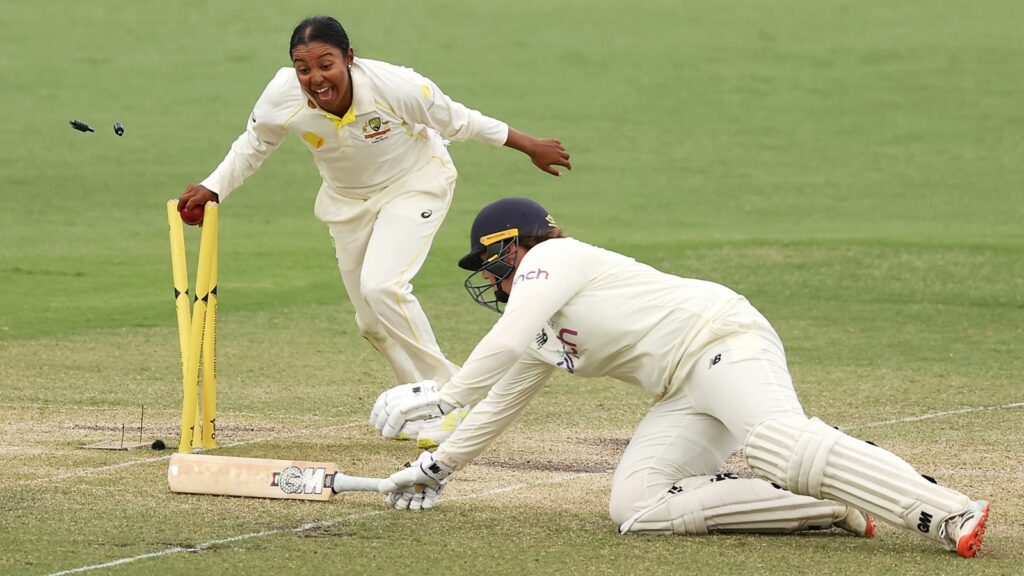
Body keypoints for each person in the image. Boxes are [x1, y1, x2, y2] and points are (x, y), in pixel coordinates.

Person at [371, 197, 990, 558]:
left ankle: (949, 512)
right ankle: (827, 500)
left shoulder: (556, 258)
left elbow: (501, 342)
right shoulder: (533, 330)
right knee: (636, 507)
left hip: (723, 341)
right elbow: (502, 403)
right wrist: (435, 469)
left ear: (515, 249)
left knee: (777, 441)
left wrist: (443, 392)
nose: (492, 281)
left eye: (491, 264)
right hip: (681, 391)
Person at [177, 17, 571, 433]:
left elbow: (460, 120)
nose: (315, 78)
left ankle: (452, 397)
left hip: (415, 185)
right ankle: (419, 405)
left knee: (383, 287)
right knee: (371, 323)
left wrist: (529, 144)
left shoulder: (396, 86)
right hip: (346, 203)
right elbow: (255, 143)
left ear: (349, 58)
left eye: (326, 64)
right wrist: (213, 186)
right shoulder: (282, 95)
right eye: (303, 68)